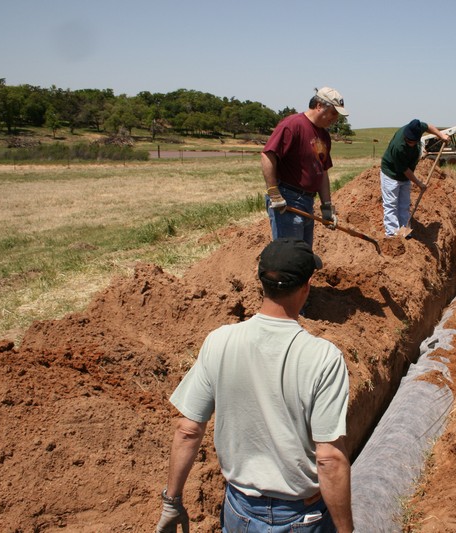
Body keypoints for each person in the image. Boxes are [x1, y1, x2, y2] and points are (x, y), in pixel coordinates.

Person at [156, 238, 354, 532]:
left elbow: (187, 430)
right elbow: (329, 459)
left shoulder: (219, 341)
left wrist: (171, 502)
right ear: (307, 286)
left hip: (239, 510)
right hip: (300, 516)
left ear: (261, 282)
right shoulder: (324, 358)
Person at [262, 87, 348, 248]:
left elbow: (322, 171)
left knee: (303, 254)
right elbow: (268, 155)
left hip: (308, 201)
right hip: (288, 200)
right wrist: (273, 192)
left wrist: (327, 206)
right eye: (333, 113)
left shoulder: (324, 135)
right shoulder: (293, 124)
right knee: (290, 254)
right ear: (319, 106)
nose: (335, 119)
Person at [380, 119, 450, 236]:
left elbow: (428, 126)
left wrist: (441, 135)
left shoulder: (417, 127)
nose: (409, 142)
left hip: (405, 175)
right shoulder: (399, 147)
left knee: (404, 205)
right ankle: (392, 236)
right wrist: (419, 183)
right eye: (407, 140)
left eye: (412, 141)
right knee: (391, 205)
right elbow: (405, 170)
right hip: (391, 174)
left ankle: (405, 232)